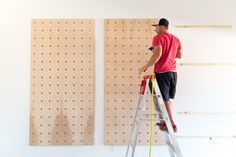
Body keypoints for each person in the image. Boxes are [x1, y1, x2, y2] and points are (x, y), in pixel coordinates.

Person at [139, 18, 182, 132]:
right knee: (167, 100)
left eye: (157, 27)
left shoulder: (158, 38)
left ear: (163, 27)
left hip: (162, 72)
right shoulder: (176, 39)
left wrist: (145, 66)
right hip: (173, 73)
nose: (155, 29)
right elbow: (179, 55)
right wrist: (168, 53)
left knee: (159, 98)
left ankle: (171, 124)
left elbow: (157, 56)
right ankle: (169, 123)